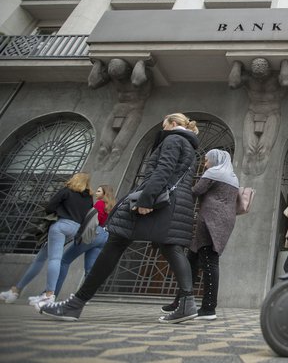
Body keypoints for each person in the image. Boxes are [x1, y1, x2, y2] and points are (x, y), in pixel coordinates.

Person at [39, 113, 200, 323]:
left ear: (173, 124)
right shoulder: (190, 147)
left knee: (116, 242)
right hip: (175, 203)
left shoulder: (172, 139)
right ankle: (187, 303)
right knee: (170, 247)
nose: (163, 129)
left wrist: (146, 200)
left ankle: (75, 305)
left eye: (164, 125)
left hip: (157, 201)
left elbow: (163, 170)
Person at [161, 149, 239, 321]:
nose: (205, 164)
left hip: (210, 220)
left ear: (215, 160)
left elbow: (195, 191)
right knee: (191, 262)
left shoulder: (214, 172)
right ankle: (180, 302)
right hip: (223, 220)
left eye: (206, 160)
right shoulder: (232, 177)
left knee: (209, 261)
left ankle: (209, 308)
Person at [0, 173, 95, 306]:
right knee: (40, 258)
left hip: (61, 226)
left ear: (74, 179)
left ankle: (49, 295)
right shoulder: (89, 198)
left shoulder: (66, 191)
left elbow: (50, 207)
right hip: (75, 229)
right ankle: (15, 290)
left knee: (55, 259)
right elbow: (88, 214)